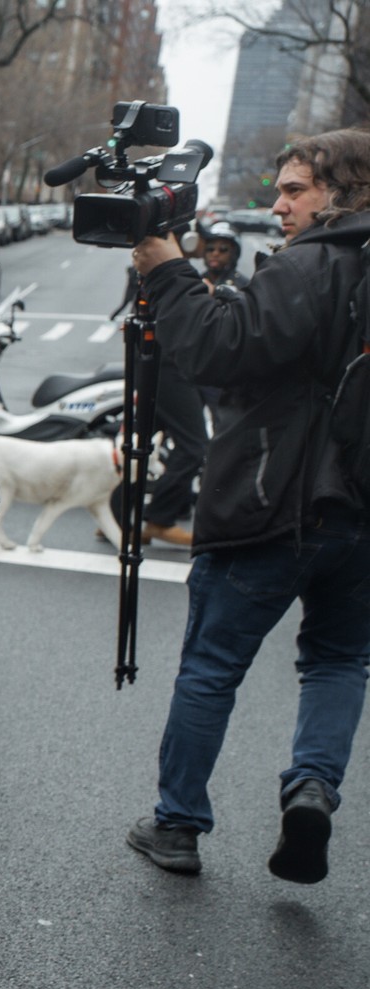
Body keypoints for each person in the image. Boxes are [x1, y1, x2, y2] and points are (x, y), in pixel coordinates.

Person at [124, 130, 370, 886]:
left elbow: (219, 351)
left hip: (275, 503)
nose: (280, 203)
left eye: (296, 189)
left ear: (347, 192)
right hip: (360, 517)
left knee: (211, 666)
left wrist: (168, 274)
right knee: (338, 659)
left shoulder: (314, 265)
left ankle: (177, 825)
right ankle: (311, 788)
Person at [107, 258, 207, 547]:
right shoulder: (163, 267)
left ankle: (115, 518)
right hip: (168, 368)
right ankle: (159, 520)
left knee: (139, 443)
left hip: (155, 365)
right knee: (193, 446)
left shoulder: (155, 267)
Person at [200, 220, 247, 290]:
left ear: (233, 253)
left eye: (223, 249)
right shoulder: (196, 282)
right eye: (210, 249)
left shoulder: (244, 286)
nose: (215, 254)